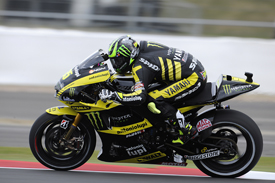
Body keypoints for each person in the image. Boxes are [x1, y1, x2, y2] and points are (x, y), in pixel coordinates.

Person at [99, 35, 207, 145]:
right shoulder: (144, 45)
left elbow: (140, 97)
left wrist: (114, 96)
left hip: (193, 78)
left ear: (128, 56)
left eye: (119, 60)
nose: (116, 65)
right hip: (191, 68)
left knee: (154, 100)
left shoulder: (140, 67)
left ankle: (187, 130)